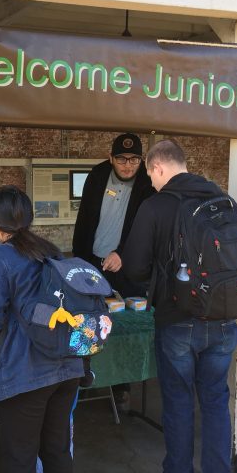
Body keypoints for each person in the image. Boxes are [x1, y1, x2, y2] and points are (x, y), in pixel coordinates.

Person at [122, 138, 237, 473]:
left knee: (177, 400)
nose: (151, 182)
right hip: (224, 320)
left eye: (150, 175)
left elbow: (135, 268)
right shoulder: (223, 201)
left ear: (156, 168)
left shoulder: (156, 205)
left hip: (178, 321)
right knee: (216, 401)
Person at [0, 185, 83, 473]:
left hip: (25, 373)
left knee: (20, 455)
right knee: (56, 448)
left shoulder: (0, 258)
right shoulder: (51, 251)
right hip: (68, 365)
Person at [72, 132, 155, 410]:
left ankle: (122, 386)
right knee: (87, 320)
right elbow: (84, 218)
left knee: (122, 324)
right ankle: (84, 376)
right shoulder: (97, 175)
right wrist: (80, 259)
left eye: (133, 159)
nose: (128, 165)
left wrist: (125, 254)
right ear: (111, 158)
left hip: (126, 266)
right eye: (121, 159)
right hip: (93, 261)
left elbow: (145, 228)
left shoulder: (147, 184)